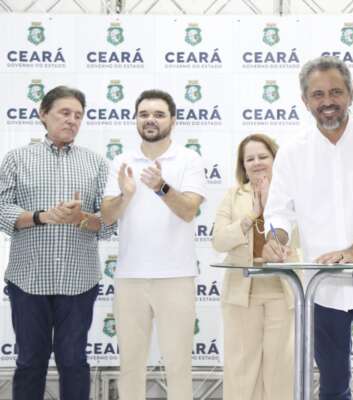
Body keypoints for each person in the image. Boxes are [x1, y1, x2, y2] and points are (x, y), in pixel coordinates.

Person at [262, 56, 353, 400]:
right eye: (318, 94)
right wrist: (275, 240)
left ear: (351, 93)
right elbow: (279, 213)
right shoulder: (292, 152)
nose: (327, 101)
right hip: (321, 289)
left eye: (335, 92)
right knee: (331, 385)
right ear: (305, 100)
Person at [0, 85, 114, 400]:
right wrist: (43, 217)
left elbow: (107, 223)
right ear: (43, 114)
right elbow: (2, 208)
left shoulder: (96, 164)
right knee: (29, 363)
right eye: (65, 113)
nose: (72, 120)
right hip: (28, 279)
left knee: (74, 362)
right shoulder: (16, 159)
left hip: (79, 281)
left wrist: (80, 219)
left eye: (78, 115)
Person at [100, 89, 206, 400]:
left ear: (173, 120)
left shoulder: (189, 159)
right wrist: (125, 195)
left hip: (176, 276)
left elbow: (188, 210)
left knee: (178, 365)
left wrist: (161, 187)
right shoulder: (121, 160)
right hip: (130, 277)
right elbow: (107, 216)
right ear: (135, 119)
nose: (150, 119)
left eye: (159, 114)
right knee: (130, 365)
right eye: (144, 114)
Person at [213, 133, 298, 400]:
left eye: (263, 156)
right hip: (242, 295)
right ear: (243, 165)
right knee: (241, 371)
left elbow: (302, 241)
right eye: (250, 159)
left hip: (282, 293)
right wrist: (253, 213)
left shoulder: (292, 194)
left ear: (275, 159)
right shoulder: (233, 195)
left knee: (280, 372)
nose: (257, 163)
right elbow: (219, 241)